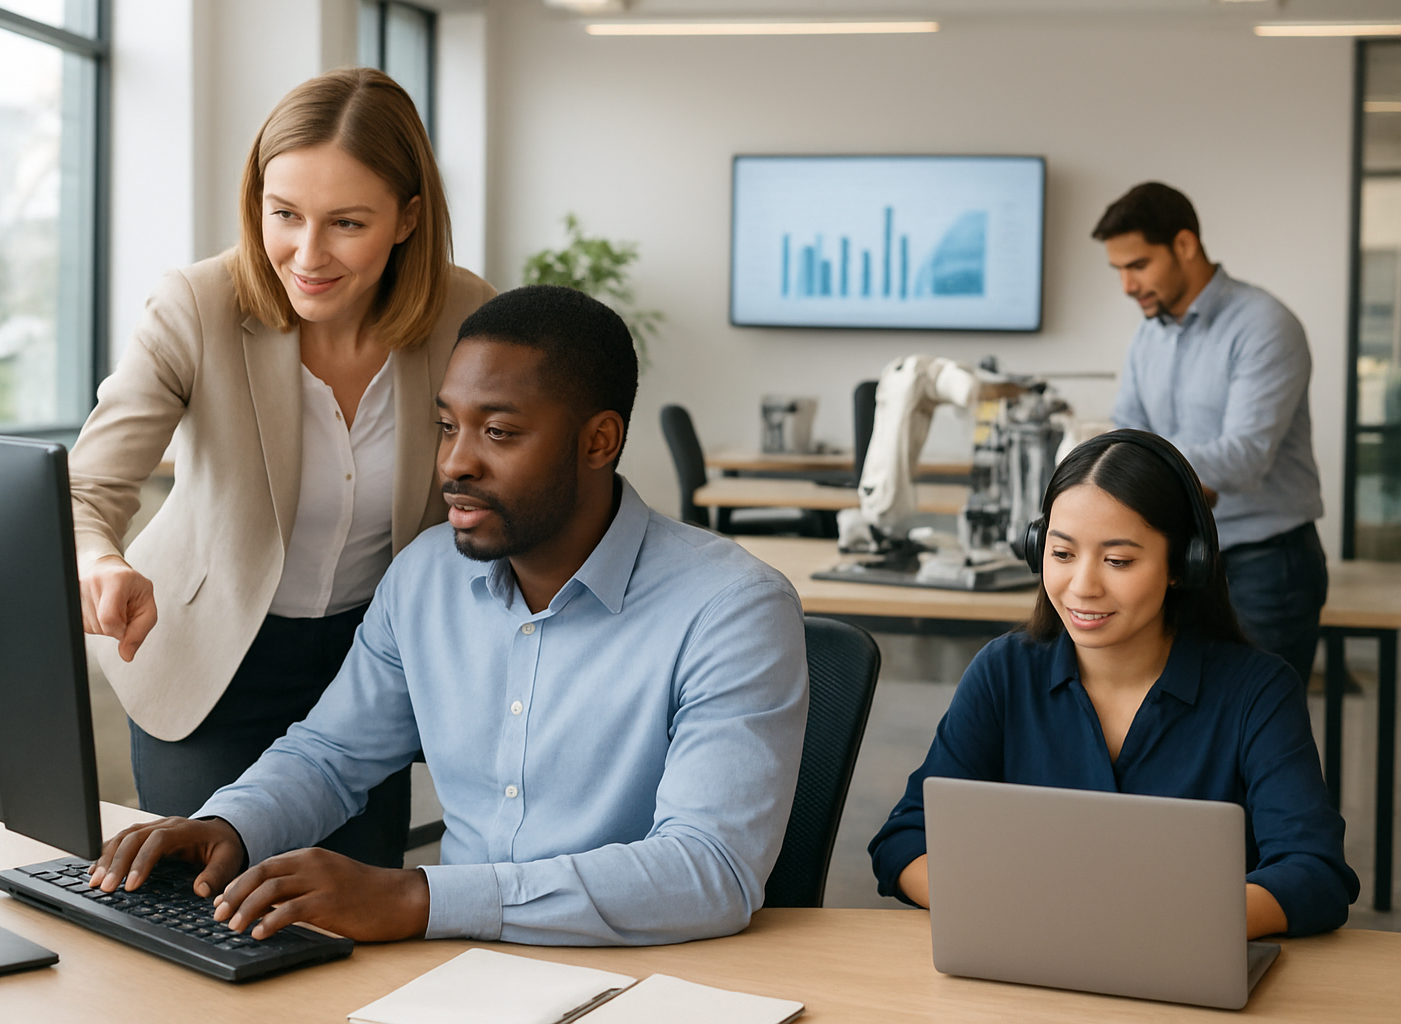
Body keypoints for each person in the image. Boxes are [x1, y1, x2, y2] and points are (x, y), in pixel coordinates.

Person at [85, 285, 810, 946]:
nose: (454, 464)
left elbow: (711, 871)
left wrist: (421, 899)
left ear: (599, 441)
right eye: (445, 425)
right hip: (448, 979)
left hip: (641, 979)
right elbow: (331, 756)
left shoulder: (732, 609)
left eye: (498, 433)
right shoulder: (426, 577)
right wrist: (228, 826)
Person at [67, 68, 495, 869]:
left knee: (346, 915)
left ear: (407, 219)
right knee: (202, 908)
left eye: (347, 223)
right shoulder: (196, 305)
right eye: (285, 215)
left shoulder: (465, 318)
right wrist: (99, 560)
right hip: (209, 657)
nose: (308, 254)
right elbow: (88, 489)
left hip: (368, 671)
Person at [869, 430, 1358, 939]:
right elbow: (905, 840)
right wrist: (1017, 910)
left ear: (1183, 564)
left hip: (1183, 971)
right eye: (1061, 554)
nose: (1083, 586)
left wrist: (1149, 924)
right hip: (1029, 963)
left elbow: (1314, 872)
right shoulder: (1004, 672)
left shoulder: (1258, 692)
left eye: (1118, 560)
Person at [1095, 182, 1327, 684]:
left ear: (1184, 245)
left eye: (1137, 266)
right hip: (1179, 557)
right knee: (1186, 730)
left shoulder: (1264, 325)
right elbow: (1127, 438)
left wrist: (1152, 468)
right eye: (1118, 271)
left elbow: (1244, 457)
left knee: (1259, 733)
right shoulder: (1148, 335)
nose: (1127, 287)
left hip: (1264, 566)